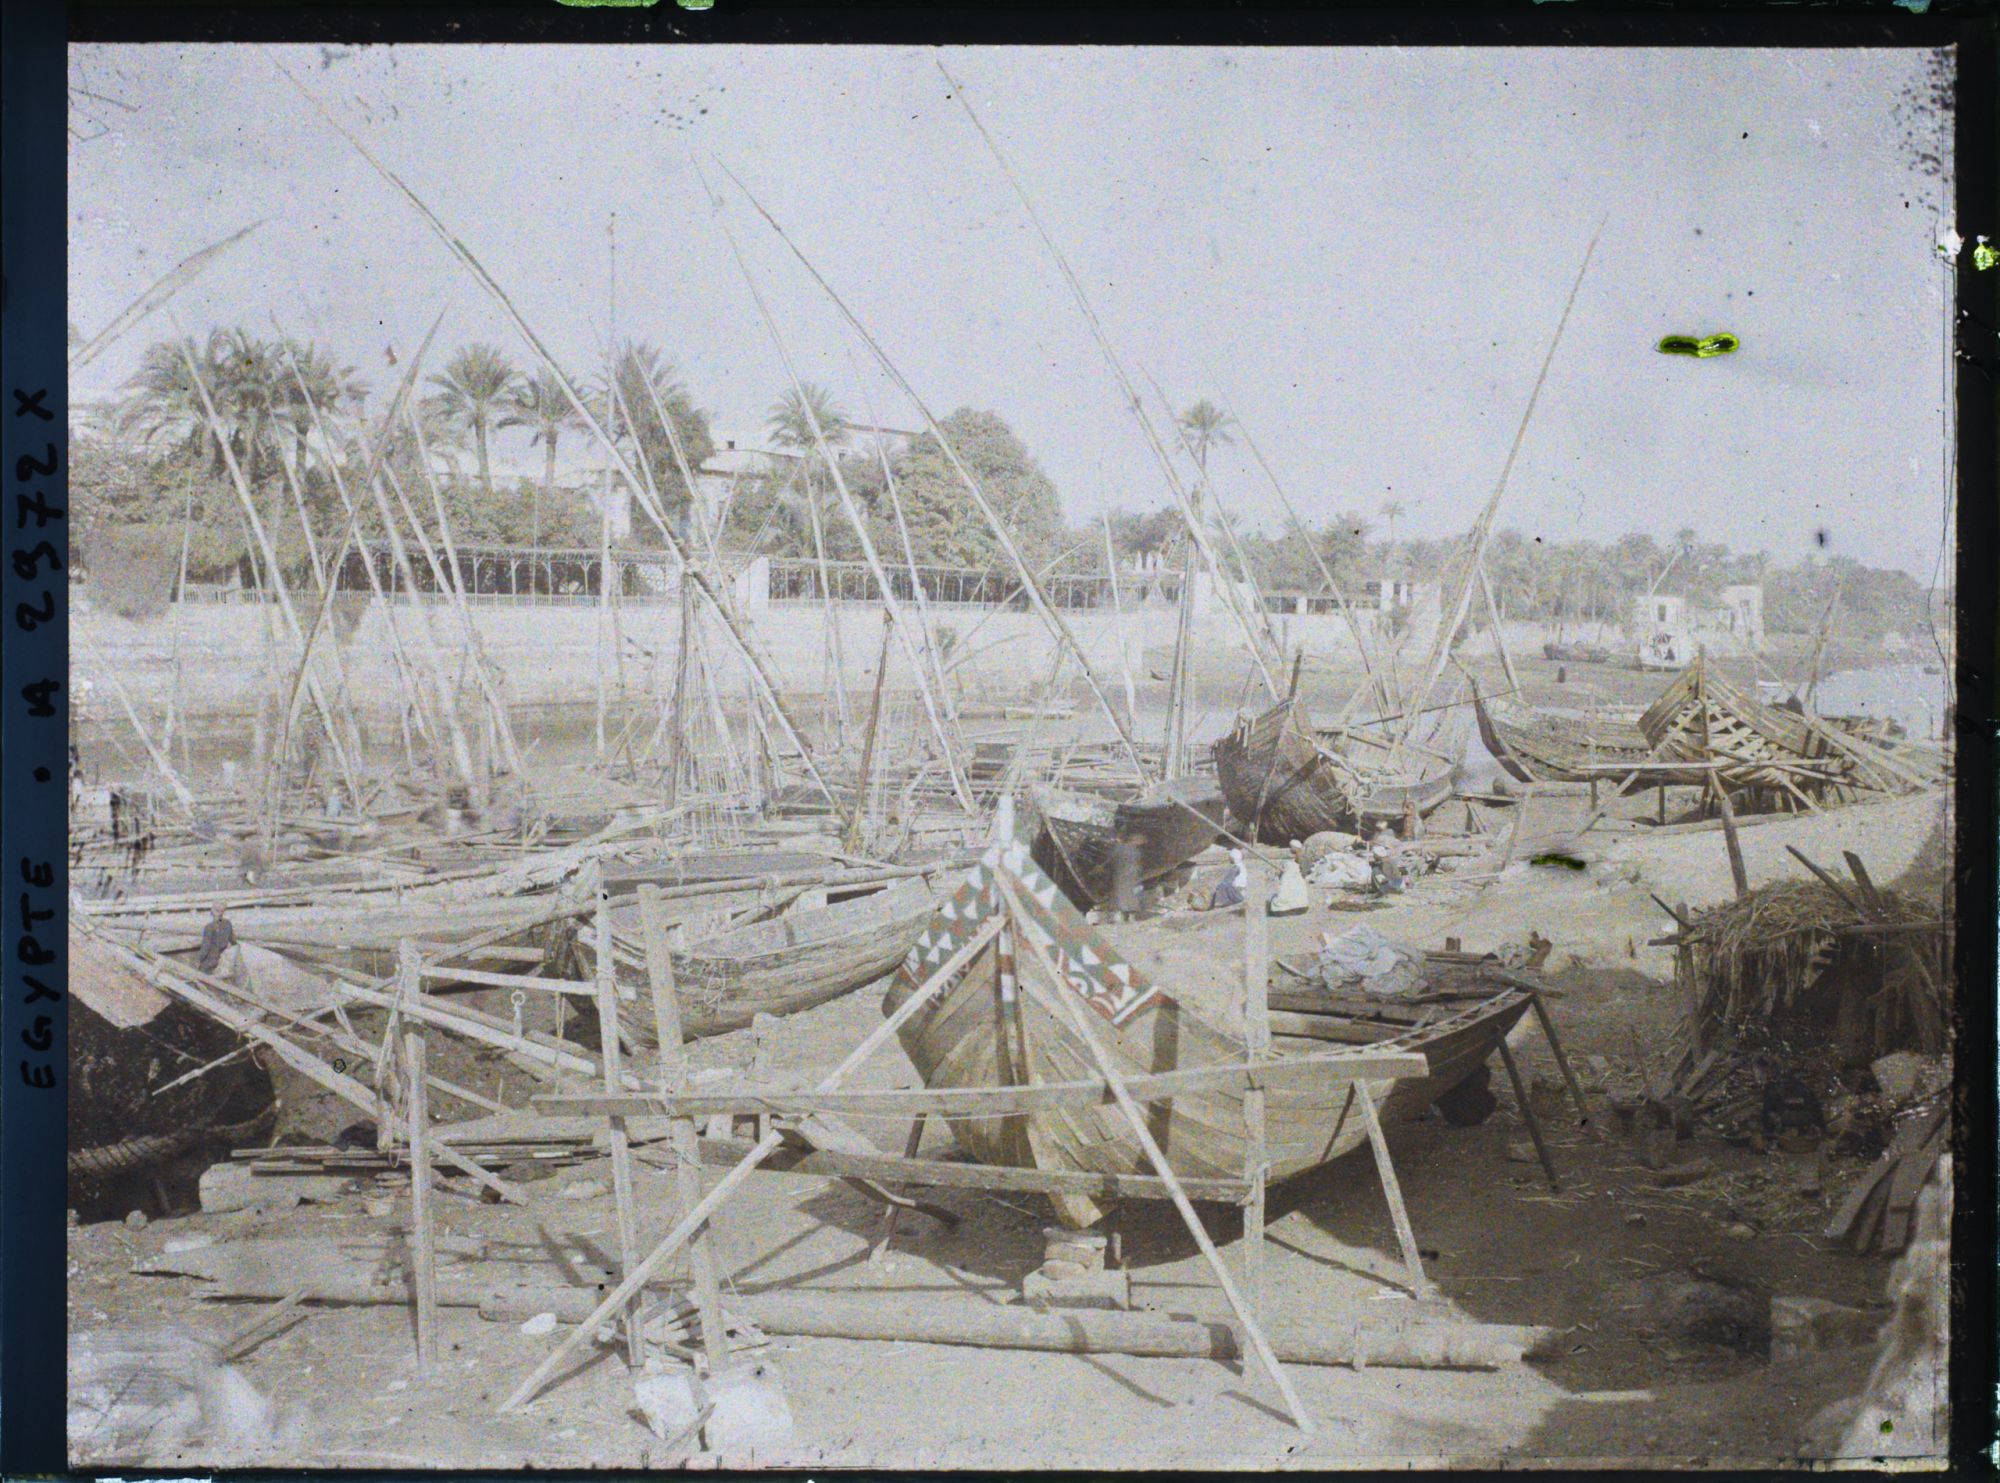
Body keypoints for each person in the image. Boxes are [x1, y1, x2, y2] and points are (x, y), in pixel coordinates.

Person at [196, 903, 236, 975]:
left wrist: (198, 960)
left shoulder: (209, 927)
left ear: (212, 912)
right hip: (223, 958)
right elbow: (233, 941)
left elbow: (205, 948)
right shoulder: (228, 923)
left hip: (211, 960)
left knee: (198, 974)